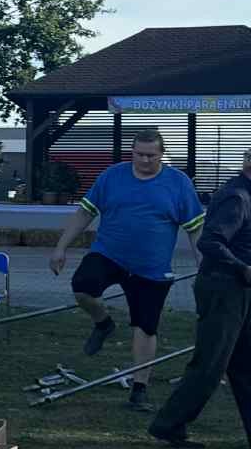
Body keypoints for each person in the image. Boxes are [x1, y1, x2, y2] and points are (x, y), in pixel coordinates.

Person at [49, 128, 204, 411]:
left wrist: (203, 268)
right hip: (109, 255)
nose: (144, 160)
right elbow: (85, 212)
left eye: (151, 155)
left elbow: (195, 229)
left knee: (145, 326)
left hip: (152, 268)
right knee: (82, 286)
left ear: (162, 154)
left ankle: (139, 390)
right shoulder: (112, 176)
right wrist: (61, 247)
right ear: (131, 152)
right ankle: (103, 323)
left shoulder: (178, 183)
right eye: (139, 154)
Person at [148, 146, 251, 449]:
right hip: (223, 287)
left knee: (245, 364)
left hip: (241, 288)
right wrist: (243, 268)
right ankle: (168, 425)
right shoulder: (236, 197)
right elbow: (210, 242)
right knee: (211, 364)